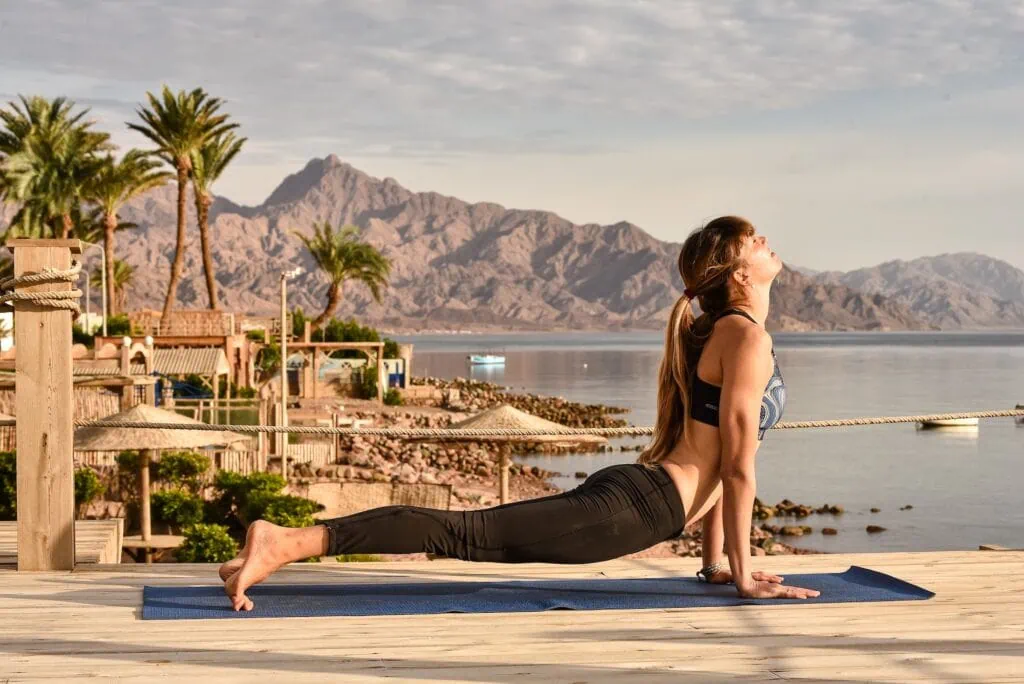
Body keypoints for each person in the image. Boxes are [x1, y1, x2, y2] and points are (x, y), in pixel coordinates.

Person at [220, 215, 821, 611]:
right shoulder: (744, 337)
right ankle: (286, 542)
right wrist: (742, 577)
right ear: (741, 273)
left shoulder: (731, 332)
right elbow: (737, 470)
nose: (767, 240)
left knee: (468, 533)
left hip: (646, 495)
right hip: (637, 507)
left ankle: (286, 543)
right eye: (754, 239)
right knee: (464, 533)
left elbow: (721, 457)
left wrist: (716, 564)